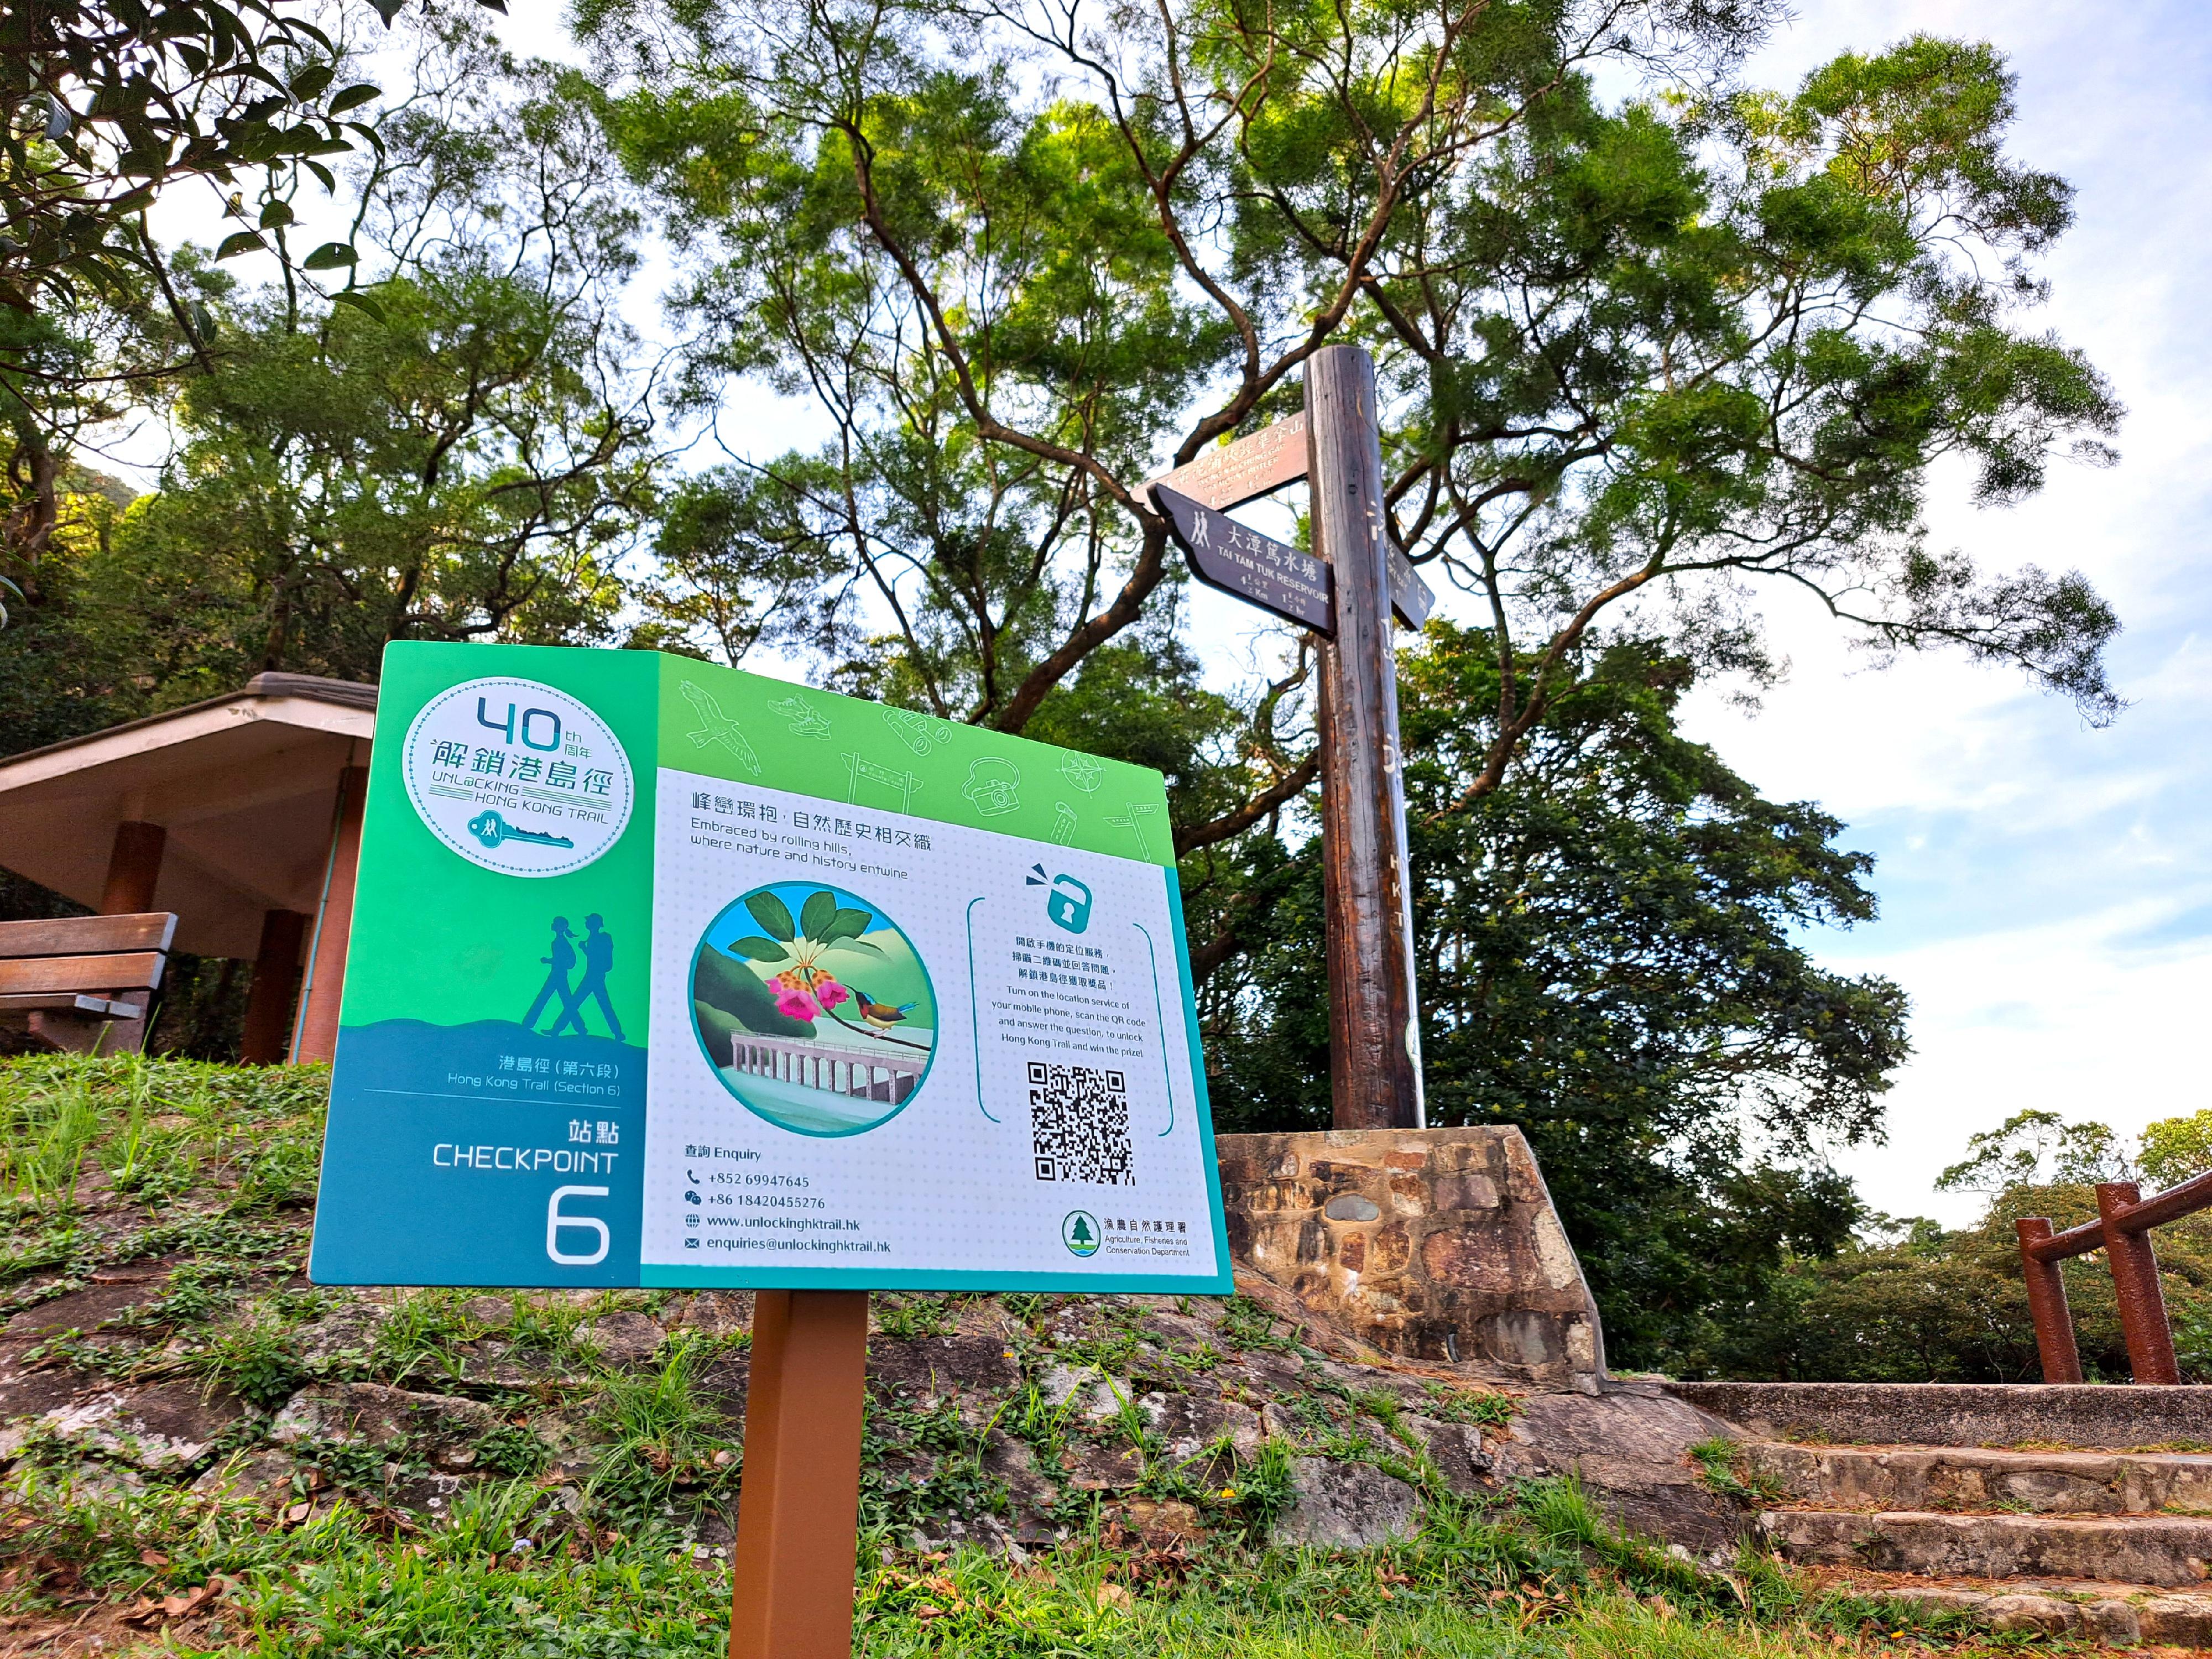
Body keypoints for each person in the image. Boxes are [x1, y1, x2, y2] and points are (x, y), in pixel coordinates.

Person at [552, 914, 624, 1041]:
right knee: (577, 1003)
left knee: (577, 1003)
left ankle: (558, 1029)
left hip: (595, 977)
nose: (587, 924)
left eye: (589, 922)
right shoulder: (593, 938)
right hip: (592, 976)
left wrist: (584, 948)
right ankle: (558, 1029)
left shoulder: (603, 938)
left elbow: (598, 956)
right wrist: (584, 949)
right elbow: (593, 956)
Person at [523, 917, 576, 1032]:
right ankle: (528, 1023)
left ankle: (528, 1023)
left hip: (558, 975)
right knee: (566, 1002)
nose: (553, 925)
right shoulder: (558, 941)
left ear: (561, 927)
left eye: (556, 924)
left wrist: (548, 961)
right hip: (557, 974)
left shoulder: (561, 942)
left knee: (545, 998)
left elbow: (562, 959)